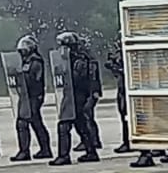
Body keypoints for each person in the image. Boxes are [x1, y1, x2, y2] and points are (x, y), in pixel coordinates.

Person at [49, 32, 101, 166]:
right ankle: (91, 152)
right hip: (72, 95)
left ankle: (64, 155)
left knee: (64, 126)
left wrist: (90, 97)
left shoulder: (80, 60)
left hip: (77, 96)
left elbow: (80, 80)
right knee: (81, 124)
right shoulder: (68, 60)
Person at [10, 35, 54, 162]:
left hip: (33, 96)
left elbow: (34, 79)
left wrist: (20, 75)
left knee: (24, 122)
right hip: (27, 96)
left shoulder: (35, 61)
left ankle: (26, 151)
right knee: (35, 122)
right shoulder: (26, 61)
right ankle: (44, 149)